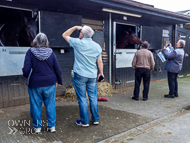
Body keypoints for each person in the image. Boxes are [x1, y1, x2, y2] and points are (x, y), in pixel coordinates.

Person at [62, 25, 104, 127]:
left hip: (80, 75)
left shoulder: (77, 43)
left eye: (80, 32)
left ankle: (84, 122)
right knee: (93, 97)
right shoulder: (97, 46)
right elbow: (100, 61)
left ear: (82, 34)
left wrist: (75, 27)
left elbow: (64, 35)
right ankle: (95, 120)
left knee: (82, 99)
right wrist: (101, 73)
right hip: (92, 76)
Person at [22, 33, 62, 133]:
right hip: (50, 82)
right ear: (46, 41)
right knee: (50, 105)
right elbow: (57, 69)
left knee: (35, 106)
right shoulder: (51, 52)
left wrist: (27, 76)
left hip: (35, 84)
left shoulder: (30, 52)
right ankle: (51, 126)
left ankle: (37, 127)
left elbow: (26, 70)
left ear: (35, 40)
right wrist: (60, 81)